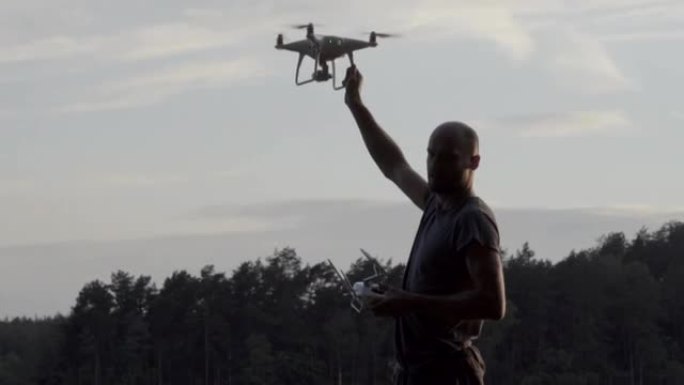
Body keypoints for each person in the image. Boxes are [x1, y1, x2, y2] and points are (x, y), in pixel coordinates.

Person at [343, 65, 507, 385]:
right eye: (431, 155)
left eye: (447, 158)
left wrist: (409, 302)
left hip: (449, 372)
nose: (435, 166)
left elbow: (493, 303)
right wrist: (356, 105)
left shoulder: (472, 219)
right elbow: (393, 164)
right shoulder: (435, 204)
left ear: (473, 162)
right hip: (419, 374)